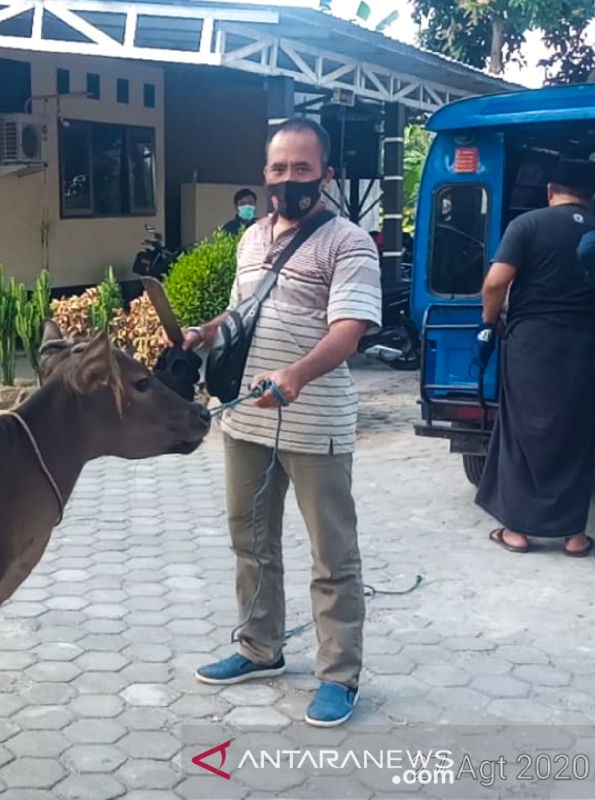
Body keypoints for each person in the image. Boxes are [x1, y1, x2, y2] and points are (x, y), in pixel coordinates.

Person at [182, 118, 381, 727]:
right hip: (246, 418)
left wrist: (297, 373)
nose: (288, 180)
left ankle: (338, 675)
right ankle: (259, 647)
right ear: (265, 175)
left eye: (302, 169)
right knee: (251, 541)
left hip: (313, 421)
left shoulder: (348, 242)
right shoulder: (253, 237)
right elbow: (245, 305)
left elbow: (349, 330)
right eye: (278, 169)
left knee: (332, 554)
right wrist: (206, 330)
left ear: (326, 173)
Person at [475, 158, 595, 557]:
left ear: (551, 190)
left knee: (522, 431)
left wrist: (489, 321)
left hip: (532, 342)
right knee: (576, 432)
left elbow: (496, 282)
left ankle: (517, 531)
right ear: (591, 197)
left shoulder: (527, 225)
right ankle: (574, 536)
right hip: (584, 344)